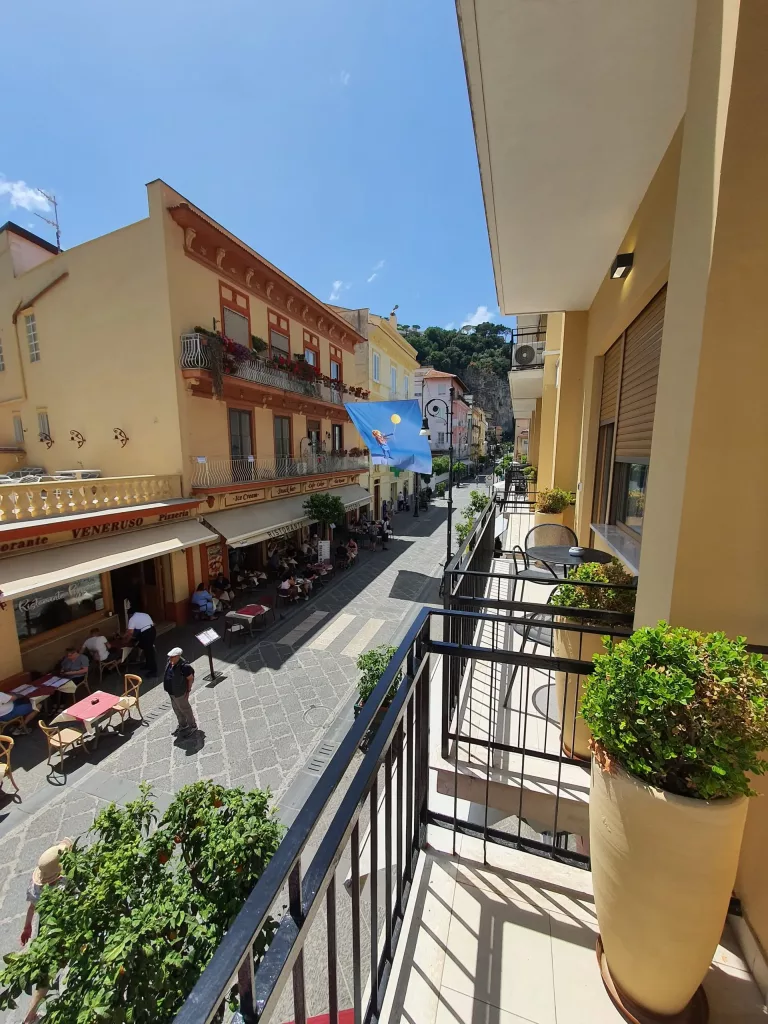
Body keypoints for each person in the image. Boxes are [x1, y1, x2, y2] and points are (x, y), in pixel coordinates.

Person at [20, 840, 72, 1024]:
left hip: (45, 928)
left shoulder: (36, 887)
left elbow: (32, 908)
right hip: (62, 928)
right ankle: (31, 1016)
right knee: (52, 969)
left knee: (46, 971)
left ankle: (31, 1015)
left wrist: (27, 927)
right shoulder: (64, 884)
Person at [163, 647, 197, 737]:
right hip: (171, 693)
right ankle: (183, 725)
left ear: (178, 656)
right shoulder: (170, 662)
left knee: (186, 710)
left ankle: (193, 726)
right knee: (177, 709)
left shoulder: (185, 666)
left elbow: (190, 678)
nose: (170, 659)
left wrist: (188, 691)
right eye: (170, 657)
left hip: (180, 693)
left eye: (172, 657)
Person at [126, 607, 157, 675]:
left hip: (146, 633)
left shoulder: (132, 619)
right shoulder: (145, 614)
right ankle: (148, 666)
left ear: (130, 614)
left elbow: (130, 633)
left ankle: (153, 671)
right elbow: (153, 623)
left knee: (149, 652)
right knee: (147, 650)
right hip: (152, 631)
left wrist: (126, 641)